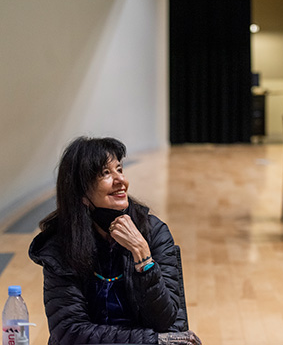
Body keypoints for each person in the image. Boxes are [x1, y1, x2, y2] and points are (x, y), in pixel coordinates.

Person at [29, 137, 202, 345]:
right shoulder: (60, 245)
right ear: (81, 193)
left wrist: (144, 259)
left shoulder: (153, 232)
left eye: (120, 169)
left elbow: (168, 323)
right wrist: (150, 341)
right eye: (105, 173)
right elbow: (69, 332)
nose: (121, 180)